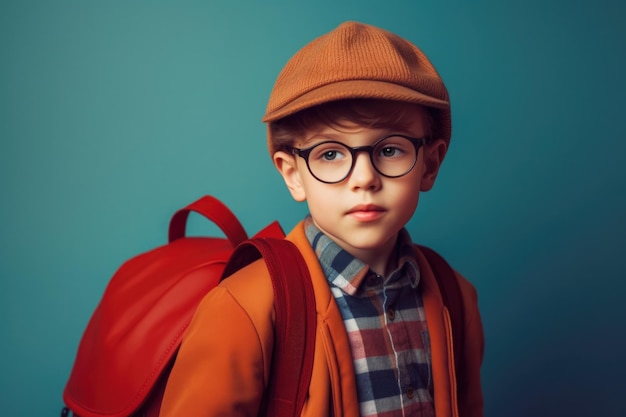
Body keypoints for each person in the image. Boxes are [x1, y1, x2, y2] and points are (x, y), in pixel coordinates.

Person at [159, 21, 484, 417]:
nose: (364, 179)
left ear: (429, 164)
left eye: (391, 150)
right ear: (293, 174)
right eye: (330, 154)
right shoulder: (244, 308)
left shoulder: (455, 297)